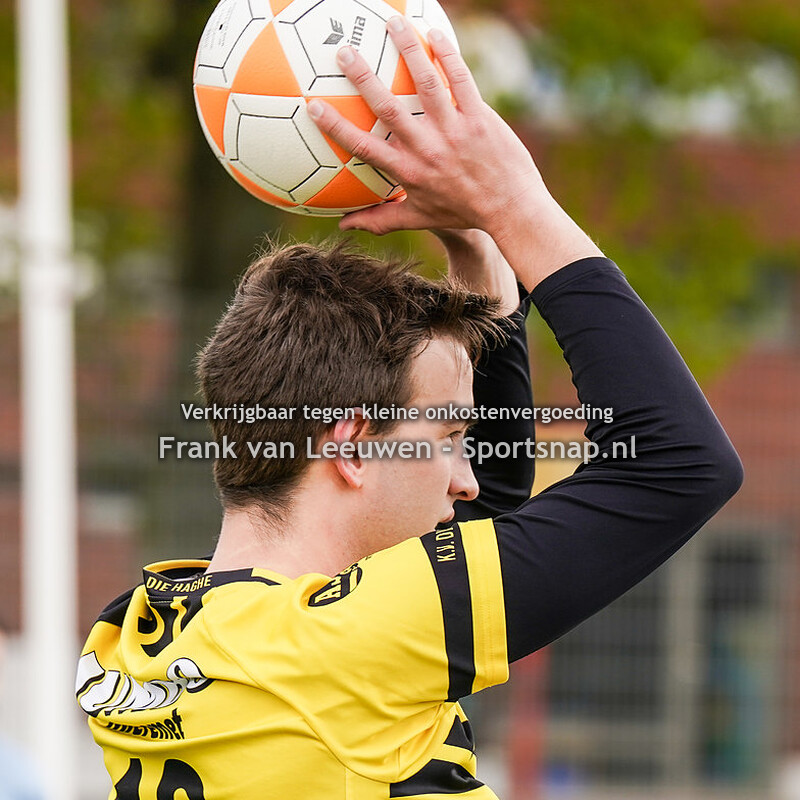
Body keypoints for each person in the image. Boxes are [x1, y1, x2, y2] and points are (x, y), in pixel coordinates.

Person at [76, 18, 743, 799]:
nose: (467, 477)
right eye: (452, 438)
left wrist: (478, 252)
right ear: (353, 446)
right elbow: (679, 465)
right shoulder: (346, 645)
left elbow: (477, 520)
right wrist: (512, 202)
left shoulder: (142, 629)